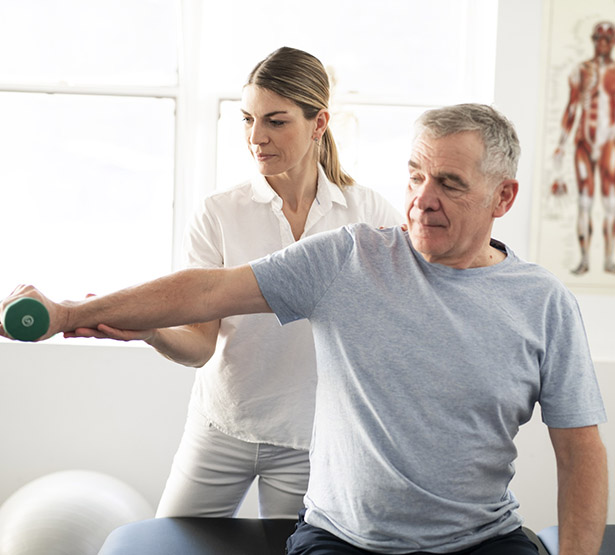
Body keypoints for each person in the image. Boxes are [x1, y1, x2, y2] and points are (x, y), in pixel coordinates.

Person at [1, 104, 607, 555]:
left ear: (504, 196)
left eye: (449, 183)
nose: (422, 198)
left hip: (481, 541)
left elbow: (579, 453)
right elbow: (209, 288)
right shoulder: (349, 260)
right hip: (343, 541)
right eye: (416, 174)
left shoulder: (541, 303)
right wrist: (67, 314)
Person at [62, 46, 401, 519]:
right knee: (168, 545)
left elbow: (384, 333)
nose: (256, 137)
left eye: (275, 121)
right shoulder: (220, 213)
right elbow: (201, 347)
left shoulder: (369, 214)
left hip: (309, 438)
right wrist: (151, 331)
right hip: (221, 426)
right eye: (247, 119)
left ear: (319, 123)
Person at [552, 21, 615, 275]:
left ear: (612, 43)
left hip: (610, 142)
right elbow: (571, 107)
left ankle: (610, 259)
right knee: (585, 202)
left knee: (610, 203)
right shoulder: (581, 70)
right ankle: (585, 259)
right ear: (593, 40)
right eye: (598, 39)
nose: (602, 43)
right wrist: (561, 143)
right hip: (583, 143)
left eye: (607, 39)